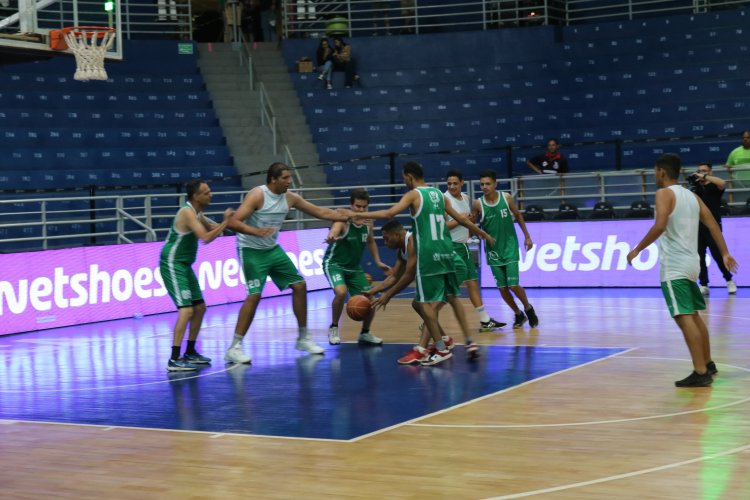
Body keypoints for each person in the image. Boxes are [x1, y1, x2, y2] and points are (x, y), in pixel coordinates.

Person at [362, 161, 495, 366]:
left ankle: (439, 349)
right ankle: (465, 342)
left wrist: (355, 214)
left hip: (429, 253)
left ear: (408, 176)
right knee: (449, 298)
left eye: (403, 178)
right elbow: (461, 219)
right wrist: (481, 232)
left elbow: (389, 213)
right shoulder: (439, 195)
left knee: (424, 304)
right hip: (447, 251)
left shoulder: (414, 194)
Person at [224, 162, 354, 364]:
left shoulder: (290, 197)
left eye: (289, 177)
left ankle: (303, 338)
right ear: (273, 179)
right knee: (255, 295)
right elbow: (232, 222)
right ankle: (234, 347)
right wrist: (255, 231)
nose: (289, 181)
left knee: (300, 285)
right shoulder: (258, 195)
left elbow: (320, 212)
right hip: (250, 250)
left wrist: (348, 215)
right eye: (285, 178)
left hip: (272, 249)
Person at [627, 153, 738, 387]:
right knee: (695, 316)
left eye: (655, 171)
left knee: (683, 317)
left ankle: (700, 371)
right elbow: (712, 225)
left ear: (662, 172)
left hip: (675, 265)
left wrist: (637, 249)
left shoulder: (663, 194)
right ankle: (708, 363)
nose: (654, 175)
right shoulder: (691, 196)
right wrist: (725, 253)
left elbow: (660, 225)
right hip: (692, 263)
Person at [159, 180, 232, 371]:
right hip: (172, 263)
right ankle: (174, 358)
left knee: (200, 307)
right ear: (195, 197)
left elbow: (213, 227)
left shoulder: (198, 213)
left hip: (184, 265)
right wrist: (225, 222)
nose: (211, 195)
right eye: (207, 192)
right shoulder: (187, 213)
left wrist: (234, 224)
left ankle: (190, 351)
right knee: (187, 310)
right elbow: (206, 238)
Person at [323, 188, 391, 345]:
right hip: (334, 264)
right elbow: (334, 229)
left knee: (371, 299)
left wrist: (378, 261)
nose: (360, 210)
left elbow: (371, 241)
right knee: (341, 292)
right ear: (350, 205)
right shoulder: (343, 220)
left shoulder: (368, 224)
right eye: (357, 206)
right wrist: (332, 236)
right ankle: (333, 328)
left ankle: (365, 333)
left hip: (354, 268)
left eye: (364, 207)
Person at [472, 170, 538, 329]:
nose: (485, 187)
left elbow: (518, 216)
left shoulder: (506, 197)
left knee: (513, 285)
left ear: (495, 184)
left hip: (509, 247)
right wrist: (478, 233)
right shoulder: (478, 203)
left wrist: (527, 237)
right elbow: (472, 223)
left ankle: (528, 308)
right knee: (502, 288)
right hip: (493, 251)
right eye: (482, 184)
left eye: (488, 184)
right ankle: (518, 314)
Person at [444, 169, 506, 331]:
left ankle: (485, 320)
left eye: (455, 183)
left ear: (462, 183)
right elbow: (441, 227)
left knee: (472, 283)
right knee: (450, 289)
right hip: (450, 248)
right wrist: (460, 220)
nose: (451, 186)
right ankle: (428, 320)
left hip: (463, 246)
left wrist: (472, 230)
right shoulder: (444, 200)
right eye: (449, 183)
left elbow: (468, 221)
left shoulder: (466, 198)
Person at [687, 162, 736, 296]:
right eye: (699, 170)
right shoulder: (696, 188)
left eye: (704, 171)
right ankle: (703, 284)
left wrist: (704, 177)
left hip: (713, 226)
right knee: (699, 257)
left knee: (718, 255)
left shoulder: (714, 186)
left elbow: (722, 183)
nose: (701, 173)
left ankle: (729, 280)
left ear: (710, 172)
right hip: (697, 227)